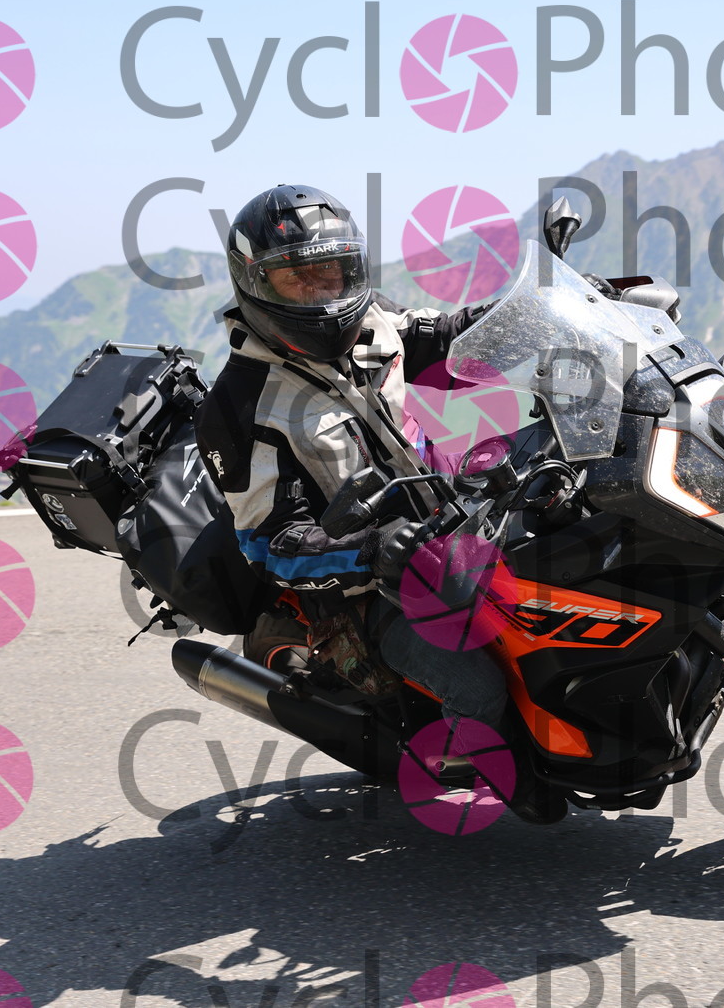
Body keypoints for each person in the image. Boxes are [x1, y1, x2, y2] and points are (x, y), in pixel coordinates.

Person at [194, 183, 507, 732]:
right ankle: (464, 765)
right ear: (255, 282)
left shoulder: (376, 321)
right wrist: (372, 550)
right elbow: (270, 545)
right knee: (482, 692)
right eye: (296, 278)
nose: (320, 292)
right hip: (368, 595)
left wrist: (552, 313)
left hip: (454, 524)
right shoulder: (240, 404)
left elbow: (453, 336)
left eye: (330, 272)